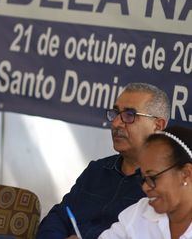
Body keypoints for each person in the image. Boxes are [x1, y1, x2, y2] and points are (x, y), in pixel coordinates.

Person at [37, 83, 170, 239]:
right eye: (115, 113)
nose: (115, 123)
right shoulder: (97, 170)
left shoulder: (165, 185)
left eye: (129, 115)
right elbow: (59, 216)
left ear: (157, 125)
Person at [99, 126, 192, 238]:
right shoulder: (139, 213)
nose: (145, 187)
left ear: (186, 174)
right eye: (143, 178)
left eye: (152, 177)